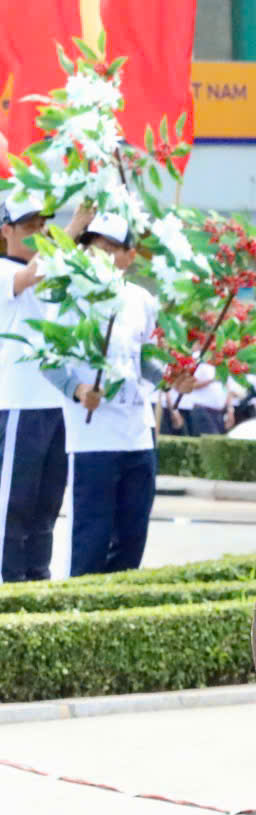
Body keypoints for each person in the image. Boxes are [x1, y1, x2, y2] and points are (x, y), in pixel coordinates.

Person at [55, 214, 163, 576]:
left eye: (109, 248)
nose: (97, 254)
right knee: (91, 541)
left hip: (138, 436)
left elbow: (146, 358)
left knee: (132, 541)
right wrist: (78, 388)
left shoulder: (141, 300)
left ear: (129, 256)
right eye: (92, 246)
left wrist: (171, 377)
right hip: (92, 438)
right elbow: (48, 360)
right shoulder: (71, 297)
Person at [0, 196, 89, 581]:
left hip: (56, 404)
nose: (37, 233)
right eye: (29, 226)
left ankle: (38, 581)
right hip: (18, 402)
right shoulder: (5, 270)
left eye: (42, 225)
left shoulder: (54, 270)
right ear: (5, 231)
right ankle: (8, 584)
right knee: (14, 504)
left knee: (48, 505)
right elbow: (29, 276)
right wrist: (71, 230)